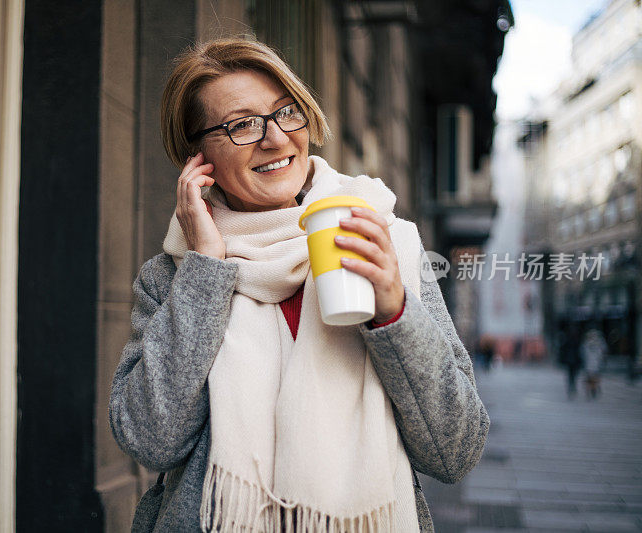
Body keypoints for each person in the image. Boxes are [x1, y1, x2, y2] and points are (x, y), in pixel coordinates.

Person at [109, 38, 489, 533]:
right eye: (242, 125)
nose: (274, 139)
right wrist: (205, 269)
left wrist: (394, 312)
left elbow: (455, 451)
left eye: (285, 112)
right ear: (198, 158)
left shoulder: (384, 241)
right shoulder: (176, 276)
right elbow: (149, 440)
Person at [581, 328, 607, 399]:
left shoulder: (588, 344)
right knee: (592, 378)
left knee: (592, 378)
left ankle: (592, 390)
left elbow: (583, 354)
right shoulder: (588, 344)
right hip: (592, 364)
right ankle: (592, 390)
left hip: (593, 364)